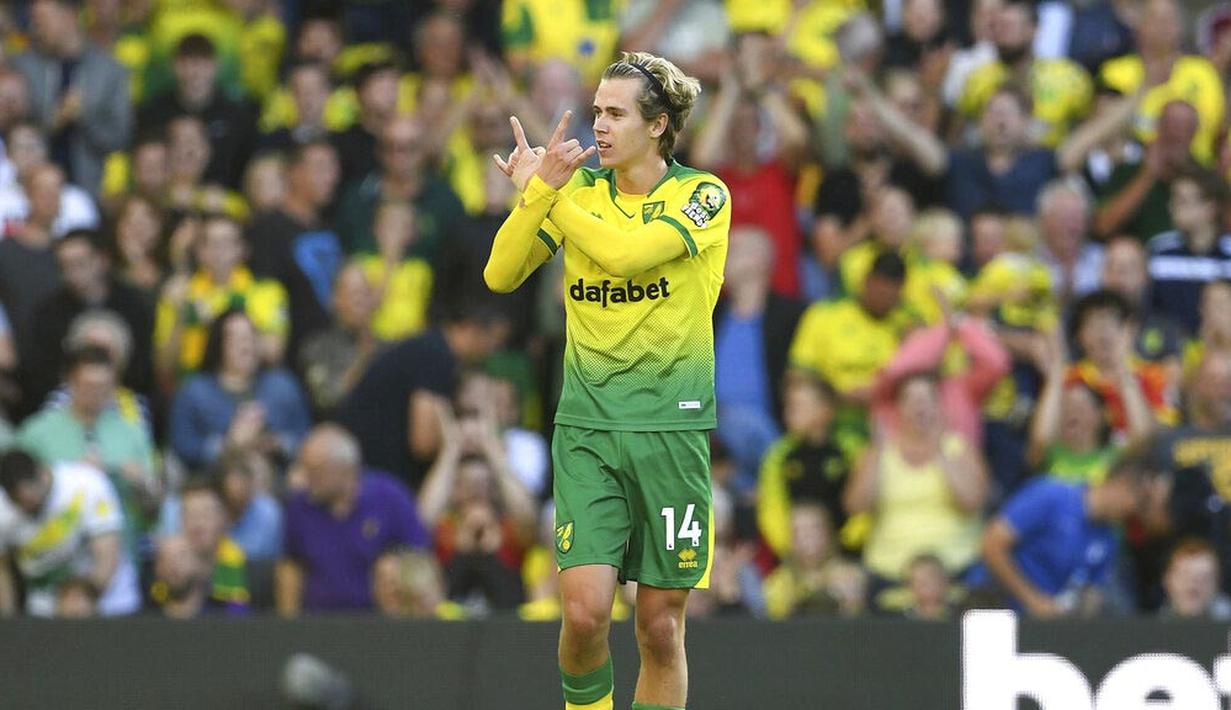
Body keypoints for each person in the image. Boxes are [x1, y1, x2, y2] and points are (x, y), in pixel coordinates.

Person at [484, 52, 729, 710]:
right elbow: (500, 275)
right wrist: (543, 192)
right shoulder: (580, 194)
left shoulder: (702, 196)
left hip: (672, 432)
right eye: (595, 110)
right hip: (588, 429)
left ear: (657, 126)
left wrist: (544, 193)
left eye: (615, 113)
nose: (598, 125)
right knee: (586, 614)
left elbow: (625, 257)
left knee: (658, 626)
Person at [844, 372, 988, 608]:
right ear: (898, 408)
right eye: (910, 400)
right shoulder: (879, 451)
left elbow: (972, 502)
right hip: (890, 573)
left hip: (956, 570)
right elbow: (856, 507)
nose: (918, 407)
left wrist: (940, 451)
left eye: (926, 399)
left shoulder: (959, 449)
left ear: (939, 406)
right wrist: (877, 453)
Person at [335, 304, 506, 491]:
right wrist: (468, 437)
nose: (493, 351)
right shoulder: (436, 356)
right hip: (371, 470)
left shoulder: (426, 347)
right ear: (473, 330)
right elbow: (423, 441)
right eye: (493, 341)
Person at [276, 425, 431, 614]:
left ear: (345, 470)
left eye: (316, 472)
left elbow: (419, 559)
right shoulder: (300, 507)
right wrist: (289, 623)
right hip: (317, 624)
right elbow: (291, 566)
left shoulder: (389, 498)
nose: (307, 480)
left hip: (379, 624)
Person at [975, 454, 1154, 617]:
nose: (1137, 514)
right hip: (993, 608)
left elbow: (1091, 593)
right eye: (1140, 503)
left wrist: (1076, 612)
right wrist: (1032, 600)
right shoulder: (1051, 495)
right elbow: (992, 544)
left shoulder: (1108, 539)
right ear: (1122, 484)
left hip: (1044, 626)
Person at [22, 229, 155, 407]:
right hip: (67, 403)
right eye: (64, 266)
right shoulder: (48, 313)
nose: (72, 274)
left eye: (79, 264)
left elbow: (143, 366)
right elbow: (40, 373)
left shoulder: (133, 305)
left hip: (125, 399)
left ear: (102, 260)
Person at [168, 308, 310, 473]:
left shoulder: (283, 386)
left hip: (278, 481)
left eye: (251, 337)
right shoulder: (194, 392)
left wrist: (276, 443)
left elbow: (306, 438)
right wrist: (229, 445)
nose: (246, 346)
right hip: (213, 484)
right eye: (236, 339)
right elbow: (182, 447)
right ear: (218, 345)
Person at [11, 0, 131, 195]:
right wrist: (54, 120)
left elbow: (120, 137)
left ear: (69, 16)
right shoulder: (24, 67)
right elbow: (12, 129)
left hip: (90, 190)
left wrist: (84, 118)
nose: (36, 28)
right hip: (31, 191)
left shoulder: (109, 70)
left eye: (42, 21)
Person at [0, 449, 136, 617]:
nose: (28, 506)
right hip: (45, 602)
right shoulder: (3, 510)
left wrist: (81, 600)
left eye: (32, 499)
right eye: (20, 502)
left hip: (106, 598)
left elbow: (107, 555)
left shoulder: (86, 483)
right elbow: (3, 570)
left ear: (42, 473)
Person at [1147, 168, 1231, 335]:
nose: (1172, 207)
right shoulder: (1160, 252)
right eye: (1173, 199)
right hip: (1170, 350)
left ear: (1210, 208)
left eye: (1182, 201)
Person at [762, 503, 867, 620]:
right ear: (789, 540)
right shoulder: (778, 583)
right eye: (799, 531)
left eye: (815, 529)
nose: (808, 536)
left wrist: (851, 603)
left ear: (830, 533)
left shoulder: (852, 575)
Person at [1159, 538, 1231, 620]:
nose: (1193, 583)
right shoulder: (1153, 625)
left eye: (1204, 577)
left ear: (1217, 583)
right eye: (1185, 575)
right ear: (1167, 580)